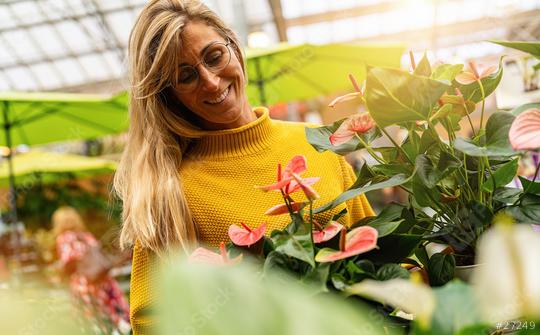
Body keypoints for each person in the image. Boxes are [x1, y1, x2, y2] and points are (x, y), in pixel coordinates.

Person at [113, 1, 375, 333]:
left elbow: (380, 248)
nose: (209, 82)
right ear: (170, 96)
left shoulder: (317, 142)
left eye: (214, 57)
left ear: (234, 48)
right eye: (186, 76)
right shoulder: (171, 190)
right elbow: (151, 320)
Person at [53, 206, 130, 334]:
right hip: (102, 280)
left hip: (84, 283)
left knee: (90, 320)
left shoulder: (64, 239)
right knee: (109, 317)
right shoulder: (86, 236)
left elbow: (68, 262)